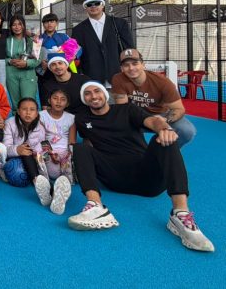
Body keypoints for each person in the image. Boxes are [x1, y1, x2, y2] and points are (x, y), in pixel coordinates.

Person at [67, 82, 215, 252]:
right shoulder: (81, 119)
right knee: (79, 148)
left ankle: (180, 213)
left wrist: (164, 128)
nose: (93, 96)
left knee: (164, 140)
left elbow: (153, 120)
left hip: (146, 178)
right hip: (113, 178)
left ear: (106, 95)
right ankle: (95, 206)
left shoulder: (127, 110)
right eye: (87, 93)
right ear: (83, 99)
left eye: (97, 91)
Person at [111, 48, 196, 147]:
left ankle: (167, 151)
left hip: (162, 115)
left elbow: (179, 109)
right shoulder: (118, 79)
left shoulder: (162, 82)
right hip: (136, 114)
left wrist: (164, 121)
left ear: (143, 65)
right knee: (115, 126)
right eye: (126, 65)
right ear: (121, 68)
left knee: (186, 130)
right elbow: (123, 109)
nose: (131, 68)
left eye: (135, 63)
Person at [2, 96, 72, 214]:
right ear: (18, 111)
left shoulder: (40, 126)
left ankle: (53, 194)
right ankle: (39, 183)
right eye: (24, 109)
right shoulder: (10, 123)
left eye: (32, 109)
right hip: (15, 158)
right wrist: (17, 149)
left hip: (35, 157)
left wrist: (50, 154)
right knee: (26, 151)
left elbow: (43, 144)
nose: (28, 112)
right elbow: (4, 148)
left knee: (54, 168)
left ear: (36, 112)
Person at [71, 0, 134, 85]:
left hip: (118, 77)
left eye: (97, 3)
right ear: (85, 8)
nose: (93, 6)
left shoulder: (119, 24)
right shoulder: (78, 30)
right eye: (89, 4)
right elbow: (76, 56)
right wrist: (81, 76)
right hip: (91, 80)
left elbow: (129, 49)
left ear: (103, 5)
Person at [5, 14, 39, 107]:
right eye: (14, 25)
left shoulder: (32, 40)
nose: (17, 27)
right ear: (10, 27)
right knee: (15, 104)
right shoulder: (6, 40)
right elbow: (0, 58)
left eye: (19, 24)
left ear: (24, 25)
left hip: (28, 73)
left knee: (28, 103)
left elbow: (38, 59)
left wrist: (27, 63)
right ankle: (16, 121)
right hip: (11, 73)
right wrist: (9, 61)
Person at [35, 13, 76, 78]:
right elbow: (35, 56)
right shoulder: (38, 39)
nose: (49, 24)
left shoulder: (64, 36)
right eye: (46, 22)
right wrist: (41, 63)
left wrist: (70, 58)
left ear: (57, 23)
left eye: (52, 21)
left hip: (64, 70)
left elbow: (75, 51)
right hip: (45, 71)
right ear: (43, 24)